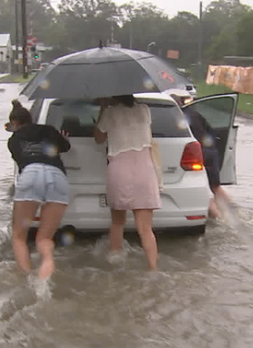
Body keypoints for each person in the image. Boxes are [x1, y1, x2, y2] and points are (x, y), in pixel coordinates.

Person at [94, 95, 160, 270]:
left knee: (117, 222)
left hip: (120, 171)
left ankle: (116, 263)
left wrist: (103, 108)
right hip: (145, 171)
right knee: (145, 229)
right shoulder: (144, 110)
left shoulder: (110, 113)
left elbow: (98, 138)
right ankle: (153, 268)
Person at [7, 99, 70, 280]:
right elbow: (65, 146)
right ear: (31, 119)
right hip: (57, 175)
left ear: (14, 123)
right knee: (44, 239)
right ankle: (47, 265)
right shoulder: (49, 130)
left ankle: (27, 280)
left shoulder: (14, 139)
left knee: (19, 237)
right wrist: (63, 138)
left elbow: (21, 163)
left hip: (31, 173)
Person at [169, 93, 233, 218]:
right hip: (211, 153)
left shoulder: (176, 118)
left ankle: (218, 219)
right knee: (216, 187)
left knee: (203, 190)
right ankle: (234, 213)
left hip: (196, 155)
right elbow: (212, 132)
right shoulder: (195, 114)